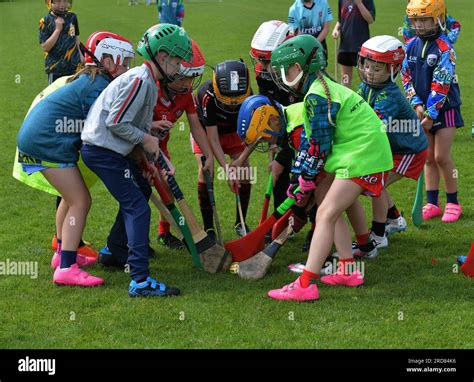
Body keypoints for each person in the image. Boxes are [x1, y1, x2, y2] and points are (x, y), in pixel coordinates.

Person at [267, 35, 393, 302]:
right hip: (357, 152)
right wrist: (301, 180)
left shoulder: (318, 96)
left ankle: (305, 284)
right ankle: (348, 269)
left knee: (324, 213)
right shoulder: (322, 88)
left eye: (286, 70)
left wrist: (305, 179)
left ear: (302, 67)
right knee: (326, 199)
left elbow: (319, 146)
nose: (282, 76)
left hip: (362, 155)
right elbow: (311, 145)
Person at [81, 24, 193, 297]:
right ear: (162, 56)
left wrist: (156, 156)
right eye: (177, 62)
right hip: (101, 150)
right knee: (138, 208)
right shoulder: (139, 80)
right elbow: (116, 121)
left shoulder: (148, 84)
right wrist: (146, 140)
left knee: (142, 190)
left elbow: (136, 127)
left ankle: (115, 250)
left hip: (110, 149)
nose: (179, 69)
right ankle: (140, 281)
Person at [16, 31, 134, 287]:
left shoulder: (91, 79)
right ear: (107, 61)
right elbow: (103, 129)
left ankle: (62, 255)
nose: (127, 68)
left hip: (38, 139)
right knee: (80, 200)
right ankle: (67, 267)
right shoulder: (99, 87)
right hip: (47, 142)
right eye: (123, 62)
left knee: (71, 200)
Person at [356, 35, 428, 244]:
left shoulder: (389, 96)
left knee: (372, 185)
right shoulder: (366, 88)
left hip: (409, 151)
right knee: (374, 183)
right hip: (392, 148)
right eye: (367, 66)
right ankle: (395, 219)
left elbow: (373, 127)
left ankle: (378, 236)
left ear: (393, 70)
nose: (369, 72)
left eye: (376, 69)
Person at [402, 0, 463, 223]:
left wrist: (430, 115)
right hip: (422, 110)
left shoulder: (445, 48)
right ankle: (431, 202)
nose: (418, 24)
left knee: (441, 157)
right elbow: (405, 77)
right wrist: (417, 105)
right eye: (415, 20)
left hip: (444, 109)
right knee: (427, 157)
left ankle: (453, 202)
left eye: (423, 19)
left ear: (437, 19)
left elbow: (442, 84)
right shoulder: (410, 46)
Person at [153, 40, 214, 249]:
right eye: (185, 78)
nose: (189, 84)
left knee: (166, 188)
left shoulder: (185, 95)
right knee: (140, 195)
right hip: (137, 147)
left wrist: (208, 155)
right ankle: (130, 243)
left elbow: (196, 127)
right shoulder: (151, 89)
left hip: (161, 148)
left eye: (192, 78)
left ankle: (165, 233)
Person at [193, 60, 253, 238]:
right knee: (206, 170)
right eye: (227, 105)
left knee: (245, 173)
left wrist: (239, 161)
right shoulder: (206, 95)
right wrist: (227, 169)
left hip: (234, 132)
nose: (232, 107)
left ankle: (240, 223)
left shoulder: (249, 93)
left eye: (236, 104)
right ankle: (209, 227)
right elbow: (212, 138)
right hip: (207, 132)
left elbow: (252, 133)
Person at [332, 0, 375, 88]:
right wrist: (336, 29)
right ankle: (346, 100)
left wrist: (359, 3)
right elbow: (340, 20)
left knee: (366, 79)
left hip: (361, 47)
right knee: (345, 79)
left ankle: (366, 99)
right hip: (345, 46)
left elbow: (370, 19)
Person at [40, 0, 85, 84]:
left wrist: (81, 54)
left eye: (65, 1)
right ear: (49, 3)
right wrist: (57, 30)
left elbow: (75, 37)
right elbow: (45, 47)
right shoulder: (45, 21)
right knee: (56, 95)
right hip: (56, 69)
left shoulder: (72, 17)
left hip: (74, 66)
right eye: (58, 1)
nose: (62, 5)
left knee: (74, 95)